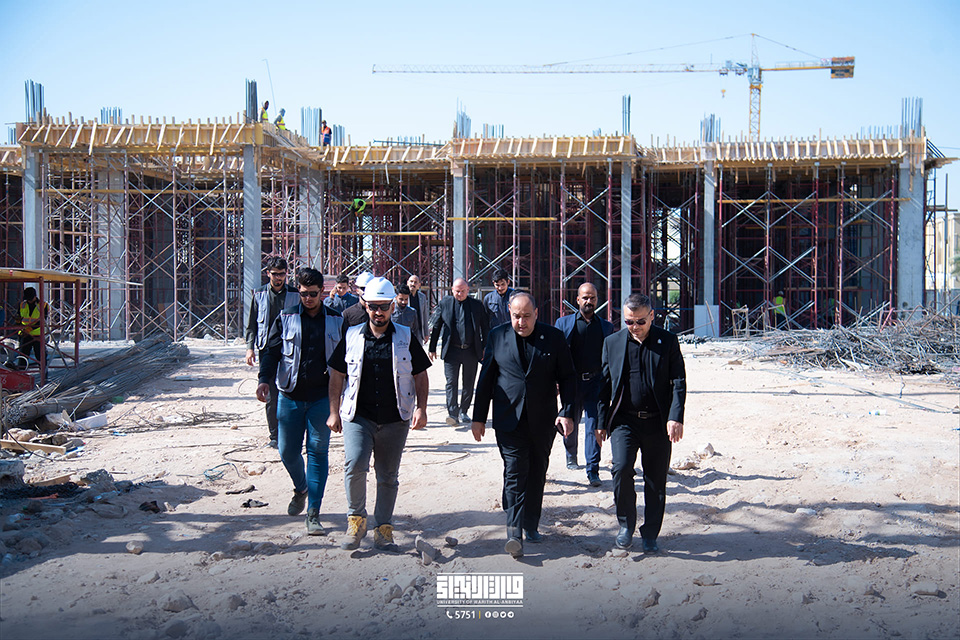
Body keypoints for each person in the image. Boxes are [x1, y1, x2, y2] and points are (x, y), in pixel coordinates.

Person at [327, 277, 430, 552]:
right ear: (365, 305)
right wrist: (333, 411)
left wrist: (421, 408)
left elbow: (420, 374)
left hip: (395, 418)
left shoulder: (405, 337)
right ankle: (356, 521)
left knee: (387, 476)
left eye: (384, 306)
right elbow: (337, 374)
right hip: (358, 416)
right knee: (354, 466)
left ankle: (383, 529)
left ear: (392, 306)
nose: (378, 312)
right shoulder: (351, 335)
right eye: (373, 306)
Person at [471, 292, 576, 558]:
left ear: (536, 313)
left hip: (543, 420)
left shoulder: (553, 337)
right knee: (516, 471)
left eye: (527, 316)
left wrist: (567, 412)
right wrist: (478, 418)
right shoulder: (497, 336)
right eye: (517, 316)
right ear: (509, 312)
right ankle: (514, 533)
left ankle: (531, 523)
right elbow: (486, 379)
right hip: (509, 419)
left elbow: (568, 378)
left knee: (537, 471)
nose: (521, 322)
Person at [597, 293, 686, 553]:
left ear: (652, 317)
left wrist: (675, 417)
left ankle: (650, 534)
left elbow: (679, 382)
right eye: (629, 322)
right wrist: (600, 422)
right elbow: (604, 386)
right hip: (624, 421)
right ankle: (626, 525)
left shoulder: (667, 341)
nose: (634, 327)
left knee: (655, 479)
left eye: (640, 322)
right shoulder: (612, 342)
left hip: (658, 422)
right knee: (621, 469)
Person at [257, 268, 343, 535]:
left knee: (317, 452)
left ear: (322, 292)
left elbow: (346, 361)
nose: (308, 299)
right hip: (290, 397)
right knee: (287, 451)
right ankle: (301, 487)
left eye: (313, 294)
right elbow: (271, 352)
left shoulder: (336, 321)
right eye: (303, 294)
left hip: (321, 399)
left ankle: (314, 512)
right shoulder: (286, 318)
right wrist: (263, 379)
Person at [555, 283, 615, 486]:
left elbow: (611, 358)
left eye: (593, 298)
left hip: (595, 383)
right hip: (571, 383)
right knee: (569, 421)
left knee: (594, 425)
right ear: (578, 300)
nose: (589, 301)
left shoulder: (606, 327)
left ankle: (593, 469)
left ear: (597, 300)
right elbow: (556, 356)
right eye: (585, 298)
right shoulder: (563, 324)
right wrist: (556, 381)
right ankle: (571, 455)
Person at [245, 257, 301, 448]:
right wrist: (249, 348)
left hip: (290, 350)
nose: (278, 278)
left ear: (286, 274)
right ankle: (275, 436)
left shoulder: (295, 295)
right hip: (267, 350)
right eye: (275, 274)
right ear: (268, 273)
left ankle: (290, 433)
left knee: (291, 391)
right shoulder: (259, 294)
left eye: (282, 274)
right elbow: (252, 324)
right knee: (271, 394)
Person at [429, 278, 489, 425]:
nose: (460, 294)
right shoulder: (445, 304)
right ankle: (453, 413)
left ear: (468, 290)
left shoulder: (477, 305)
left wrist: (484, 347)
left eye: (463, 291)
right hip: (452, 350)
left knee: (468, 383)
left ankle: (464, 411)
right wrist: (432, 347)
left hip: (470, 350)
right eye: (457, 291)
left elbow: (485, 327)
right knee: (451, 382)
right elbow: (437, 326)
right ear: (452, 290)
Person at [17, 287, 49, 368]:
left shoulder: (43, 305)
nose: (29, 301)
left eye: (30, 299)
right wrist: (18, 323)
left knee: (40, 356)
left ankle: (43, 373)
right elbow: (19, 317)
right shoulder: (22, 305)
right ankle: (22, 372)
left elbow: (42, 321)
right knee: (23, 357)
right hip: (24, 334)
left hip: (37, 334)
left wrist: (29, 329)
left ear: (35, 296)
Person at [406, 275, 430, 343]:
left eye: (415, 282)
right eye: (411, 281)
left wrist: (426, 333)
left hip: (418, 332)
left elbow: (425, 316)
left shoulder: (422, 297)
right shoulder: (404, 297)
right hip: (406, 331)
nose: (413, 284)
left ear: (419, 285)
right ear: (407, 283)